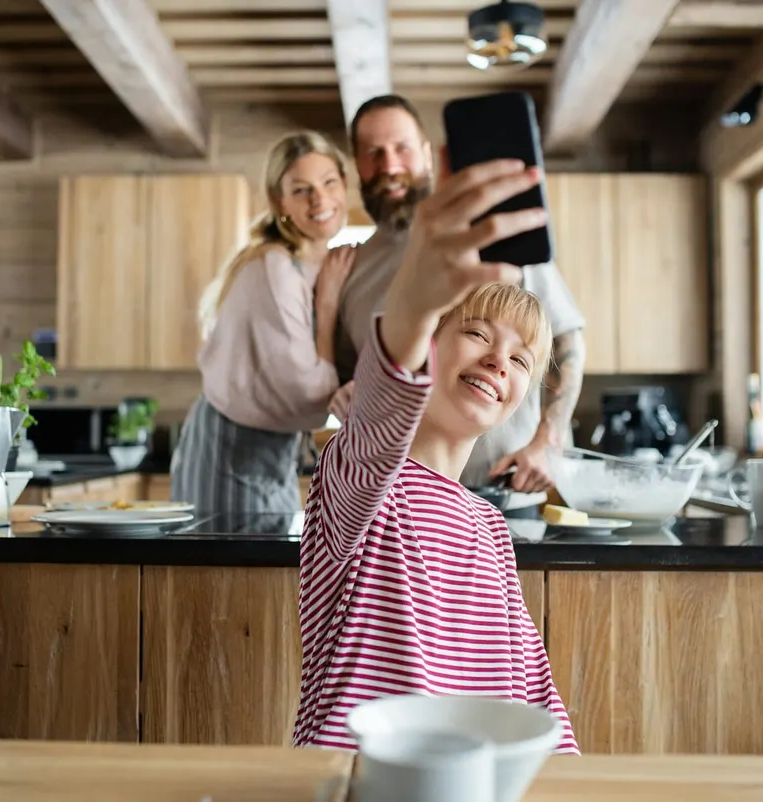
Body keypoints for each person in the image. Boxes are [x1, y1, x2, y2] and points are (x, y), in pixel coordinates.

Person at [292, 154, 579, 754]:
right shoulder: (356, 478)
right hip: (356, 785)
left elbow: (536, 698)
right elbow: (377, 416)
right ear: (427, 348)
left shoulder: (490, 528)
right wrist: (417, 302)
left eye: (521, 360)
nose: (500, 361)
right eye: (476, 333)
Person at [330, 95, 587, 512]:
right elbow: (352, 376)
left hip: (511, 495)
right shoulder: (350, 265)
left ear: (430, 156)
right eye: (373, 153)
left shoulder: (489, 230)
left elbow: (565, 339)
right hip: (403, 511)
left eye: (402, 148)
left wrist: (547, 442)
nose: (390, 165)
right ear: (356, 164)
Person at [170, 131, 356, 513]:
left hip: (271, 449)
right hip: (230, 447)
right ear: (279, 200)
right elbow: (309, 389)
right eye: (301, 190)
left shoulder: (313, 264)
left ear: (344, 185)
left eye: (328, 182)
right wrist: (329, 304)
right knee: (224, 570)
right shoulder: (277, 268)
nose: (319, 199)